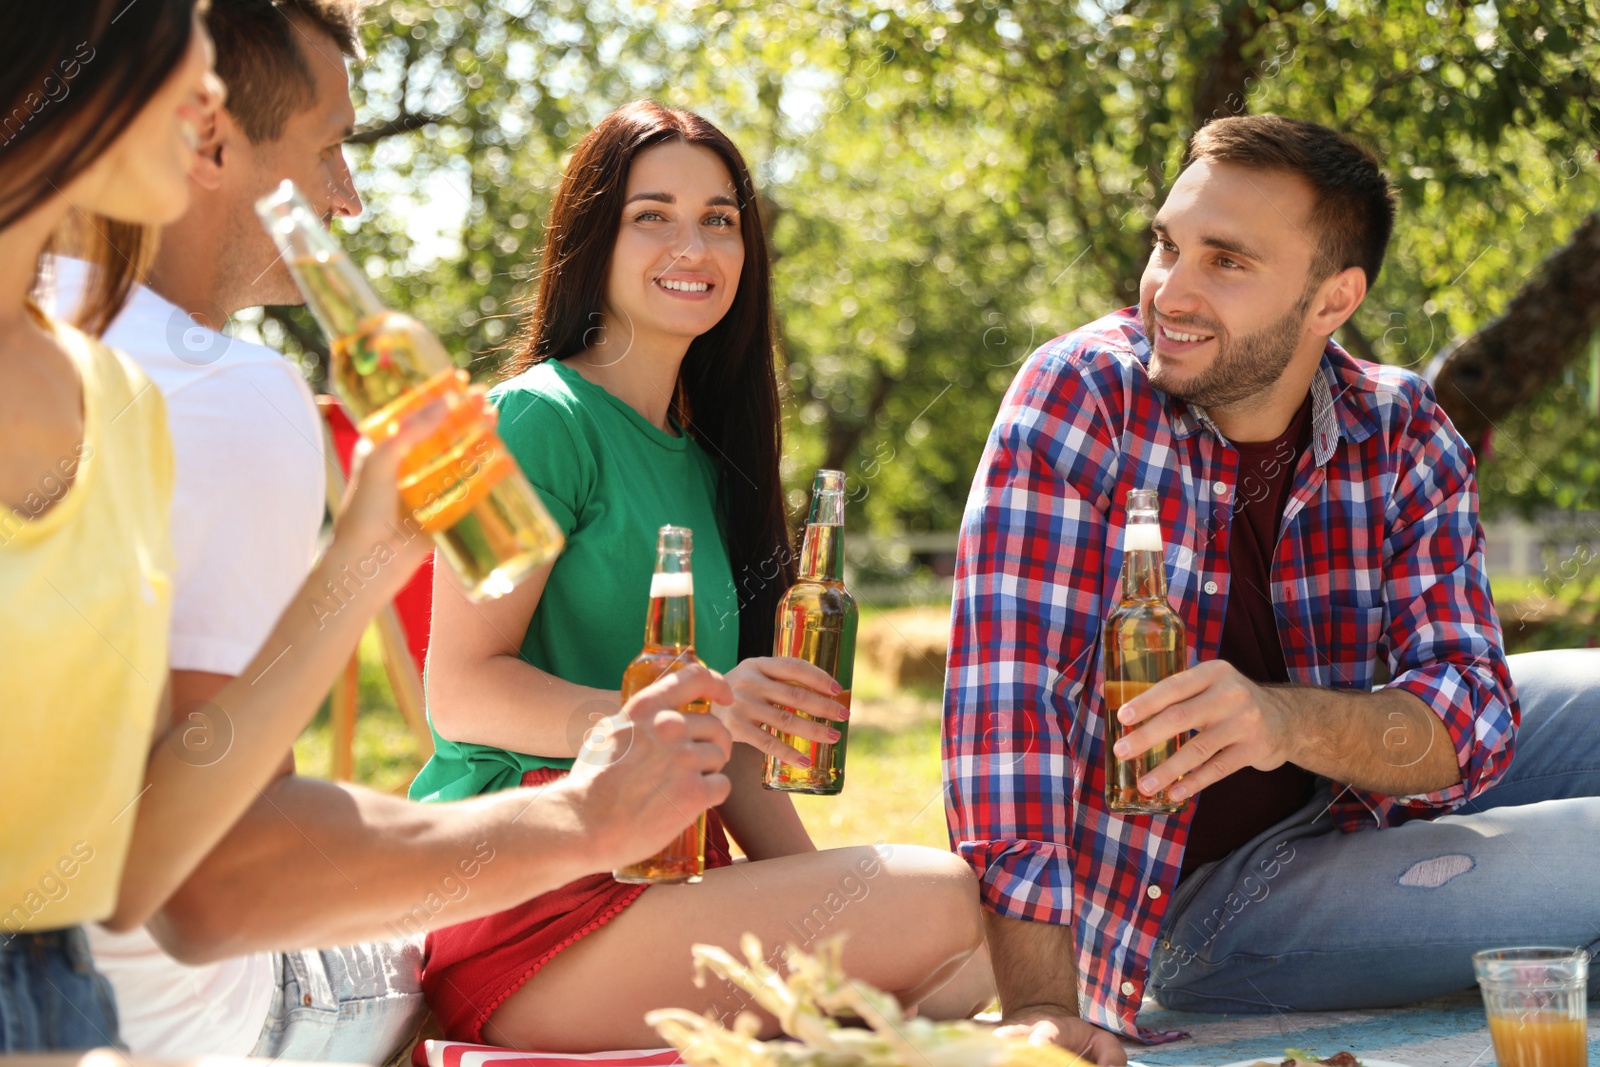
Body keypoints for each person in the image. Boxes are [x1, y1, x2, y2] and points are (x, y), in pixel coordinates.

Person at [40, 1, 740, 1060]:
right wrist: (583, 818)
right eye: (329, 152)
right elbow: (220, 886)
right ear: (209, 137)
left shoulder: (40, 332)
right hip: (168, 1018)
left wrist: (374, 551)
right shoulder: (219, 386)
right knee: (421, 964)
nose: (351, 201)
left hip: (67, 973)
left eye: (721, 218)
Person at [944, 112, 1600, 1066]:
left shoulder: (1400, 426)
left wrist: (1280, 721)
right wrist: (1043, 1012)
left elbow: (1472, 712)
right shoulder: (1081, 395)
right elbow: (1005, 718)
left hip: (1351, 801)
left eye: (1228, 262)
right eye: (1169, 244)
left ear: (1332, 299)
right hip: (1189, 900)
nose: (1172, 288)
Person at [418, 100, 994, 1051]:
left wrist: (835, 889)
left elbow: (727, 759)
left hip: (664, 878)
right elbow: (461, 692)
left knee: (971, 947)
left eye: (719, 218)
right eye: (653, 214)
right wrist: (688, 717)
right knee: (941, 905)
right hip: (532, 893)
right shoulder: (530, 419)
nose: (694, 242)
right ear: (592, 240)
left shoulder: (704, 458)